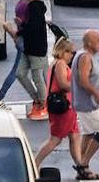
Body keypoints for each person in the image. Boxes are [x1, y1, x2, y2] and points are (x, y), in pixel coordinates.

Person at [0, 0, 51, 119]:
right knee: (20, 73)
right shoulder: (34, 6)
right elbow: (33, 25)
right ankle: (37, 99)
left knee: (37, 77)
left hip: (37, 47)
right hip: (29, 47)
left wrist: (18, 31)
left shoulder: (34, 7)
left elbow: (33, 27)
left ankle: (44, 104)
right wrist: (22, 25)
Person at [33, 37, 82, 171]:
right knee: (55, 139)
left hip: (68, 106)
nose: (72, 55)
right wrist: (78, 85)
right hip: (63, 106)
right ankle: (35, 163)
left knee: (75, 135)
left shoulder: (59, 63)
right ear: (62, 51)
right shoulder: (60, 64)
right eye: (70, 52)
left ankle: (81, 165)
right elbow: (63, 84)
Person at [70, 29, 99, 180]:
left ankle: (82, 166)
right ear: (89, 43)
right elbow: (83, 81)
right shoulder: (85, 57)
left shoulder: (85, 56)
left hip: (86, 102)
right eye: (98, 41)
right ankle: (83, 164)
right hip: (89, 103)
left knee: (89, 133)